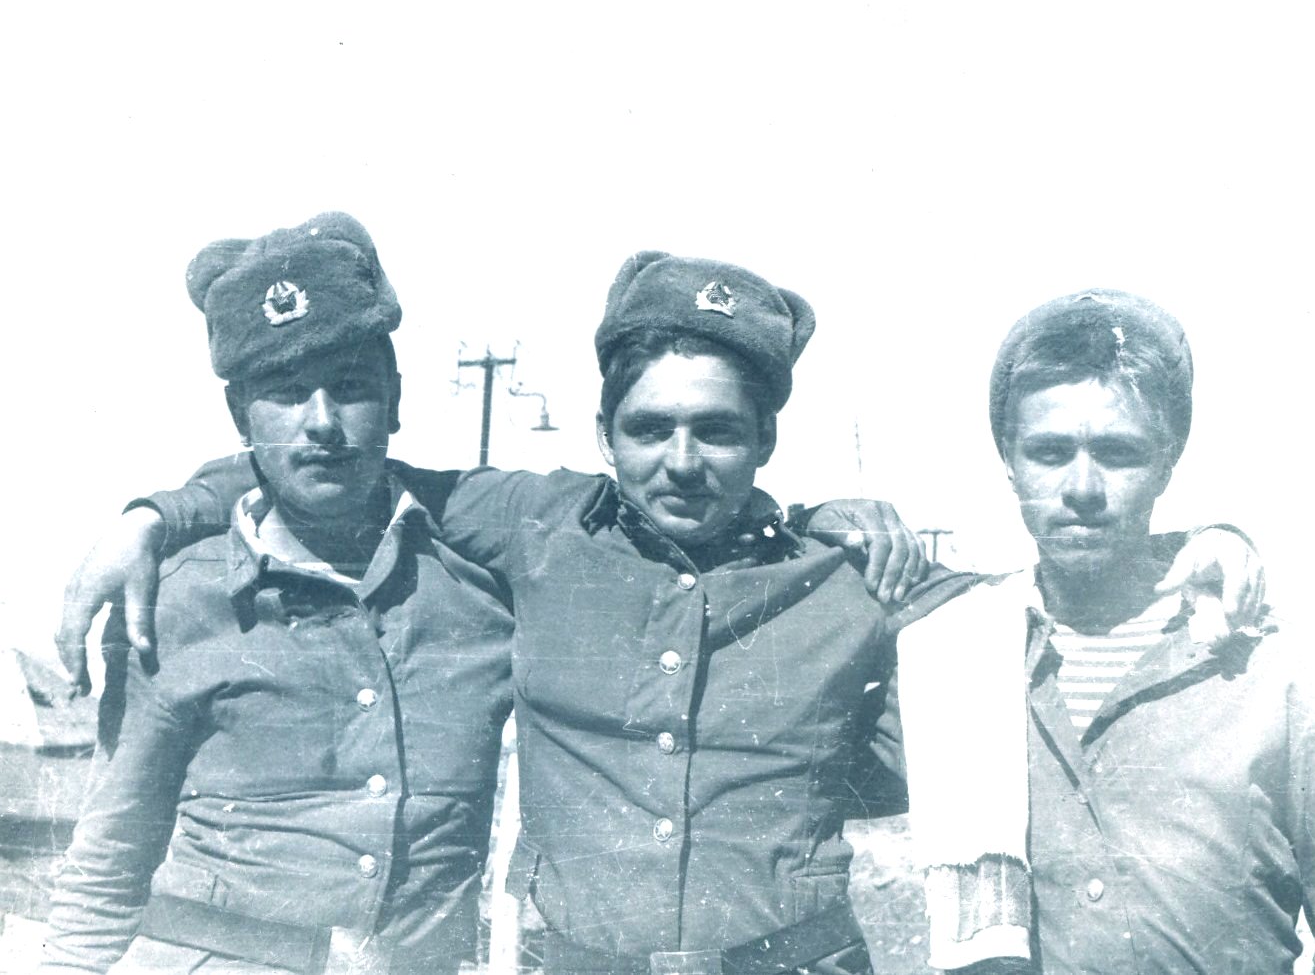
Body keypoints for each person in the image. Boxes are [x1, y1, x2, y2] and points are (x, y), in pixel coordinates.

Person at [53, 257, 1263, 975]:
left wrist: (1200, 545)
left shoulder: (849, 573)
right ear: (603, 433)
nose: (681, 461)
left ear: (766, 440)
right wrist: (154, 513)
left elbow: (1045, 603)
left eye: (717, 430)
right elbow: (336, 461)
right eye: (649, 428)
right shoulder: (528, 528)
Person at [40, 213, 518, 974]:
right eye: (287, 393)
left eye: (351, 388)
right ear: (241, 419)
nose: (321, 422)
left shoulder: (479, 587)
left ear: (395, 400)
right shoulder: (177, 599)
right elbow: (109, 858)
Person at [895, 290, 1311, 974]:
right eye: (1049, 452)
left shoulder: (1276, 666)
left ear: (1167, 462)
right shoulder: (947, 659)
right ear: (1008, 462)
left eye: (1118, 453)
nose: (1082, 487)